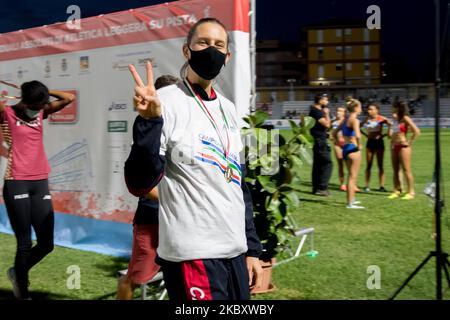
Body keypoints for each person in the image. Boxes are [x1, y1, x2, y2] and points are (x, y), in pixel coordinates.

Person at [124, 18, 263, 301]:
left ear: (227, 56)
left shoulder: (228, 108)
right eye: (203, 43)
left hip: (234, 251)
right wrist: (149, 122)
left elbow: (238, 184)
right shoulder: (166, 101)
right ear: (187, 51)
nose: (211, 50)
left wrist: (251, 249)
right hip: (193, 253)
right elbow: (139, 183)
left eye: (219, 45)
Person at [2, 80, 75, 299]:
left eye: (41, 105)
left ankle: (17, 272)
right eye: (35, 105)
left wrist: (45, 93)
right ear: (24, 102)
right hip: (16, 181)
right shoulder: (6, 113)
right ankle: (22, 292)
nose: (38, 110)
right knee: (24, 243)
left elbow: (68, 98)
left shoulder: (41, 112)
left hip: (40, 181)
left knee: (46, 244)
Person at [116, 75, 179, 300]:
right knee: (133, 279)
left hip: (180, 224)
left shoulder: (183, 130)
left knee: (181, 279)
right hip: (152, 222)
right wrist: (180, 201)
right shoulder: (147, 135)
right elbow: (145, 187)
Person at [334, 97, 364, 209]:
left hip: (346, 148)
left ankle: (352, 200)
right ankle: (350, 203)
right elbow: (358, 135)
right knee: (352, 177)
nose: (361, 109)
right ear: (356, 108)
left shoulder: (345, 120)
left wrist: (339, 143)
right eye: (360, 106)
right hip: (353, 149)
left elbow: (334, 133)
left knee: (351, 176)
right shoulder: (354, 120)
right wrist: (360, 146)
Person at [388, 100, 420, 200]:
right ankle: (396, 190)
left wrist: (409, 142)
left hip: (403, 147)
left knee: (406, 170)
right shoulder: (394, 119)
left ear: (397, 108)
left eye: (393, 106)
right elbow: (392, 134)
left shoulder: (405, 118)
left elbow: (417, 131)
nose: (391, 108)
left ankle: (411, 192)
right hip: (394, 146)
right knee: (395, 170)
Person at [361, 103, 391, 192]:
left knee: (380, 165)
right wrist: (366, 135)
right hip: (370, 142)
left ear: (377, 110)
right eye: (368, 109)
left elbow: (391, 125)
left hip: (379, 142)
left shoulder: (382, 118)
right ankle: (366, 186)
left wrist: (384, 135)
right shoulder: (367, 119)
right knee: (369, 165)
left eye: (371, 109)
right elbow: (358, 127)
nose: (369, 111)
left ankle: (381, 186)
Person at [309, 93, 332, 196]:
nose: (327, 101)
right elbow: (327, 124)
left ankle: (315, 188)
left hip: (317, 139)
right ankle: (322, 188)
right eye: (326, 99)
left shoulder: (314, 110)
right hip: (320, 141)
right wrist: (326, 113)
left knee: (317, 165)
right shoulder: (317, 112)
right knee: (328, 163)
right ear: (320, 100)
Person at [331, 105, 347, 192]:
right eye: (337, 110)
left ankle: (352, 183)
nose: (338, 112)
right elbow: (329, 132)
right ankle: (342, 184)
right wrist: (332, 137)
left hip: (347, 144)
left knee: (350, 165)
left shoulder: (347, 122)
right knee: (340, 164)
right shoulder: (333, 122)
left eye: (340, 111)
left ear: (344, 113)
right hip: (337, 145)